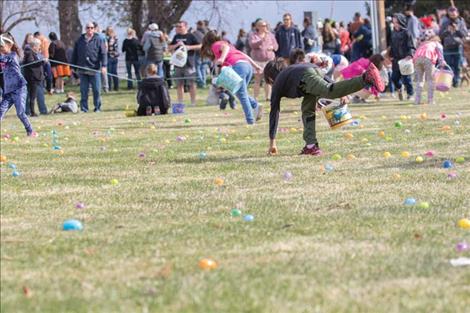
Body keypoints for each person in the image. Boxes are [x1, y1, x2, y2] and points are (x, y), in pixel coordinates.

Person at [264, 58, 384, 156]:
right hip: (311, 72)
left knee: (328, 91)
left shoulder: (278, 83)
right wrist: (342, 92)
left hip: (305, 77)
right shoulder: (290, 72)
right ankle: (311, 146)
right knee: (307, 110)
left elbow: (274, 112)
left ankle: (365, 78)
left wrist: (272, 142)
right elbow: (322, 76)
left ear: (270, 78)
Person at [201, 31, 263, 124]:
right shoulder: (229, 44)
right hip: (247, 66)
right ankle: (255, 105)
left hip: (238, 67)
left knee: (241, 95)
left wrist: (221, 58)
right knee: (240, 93)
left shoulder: (216, 45)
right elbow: (243, 54)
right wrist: (255, 66)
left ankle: (250, 121)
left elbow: (224, 49)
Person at [0, 33, 35, 136]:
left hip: (19, 88)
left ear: (9, 45)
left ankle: (30, 131)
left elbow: (3, 59)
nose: (0, 49)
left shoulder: (12, 55)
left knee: (20, 113)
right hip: (8, 91)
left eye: (1, 47)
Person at [71, 22, 107, 112]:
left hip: (94, 69)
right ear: (85, 29)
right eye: (88, 28)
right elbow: (75, 54)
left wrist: (104, 66)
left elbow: (103, 53)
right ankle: (84, 108)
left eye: (91, 28)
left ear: (94, 29)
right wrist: (72, 66)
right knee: (84, 90)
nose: (90, 29)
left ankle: (97, 107)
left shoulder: (99, 39)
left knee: (96, 90)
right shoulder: (80, 40)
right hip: (83, 69)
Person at [168, 20, 201, 106]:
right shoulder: (176, 36)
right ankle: (180, 102)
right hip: (178, 64)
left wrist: (188, 47)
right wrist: (176, 45)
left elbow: (200, 45)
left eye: (180, 26)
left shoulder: (191, 36)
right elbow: (169, 47)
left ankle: (193, 102)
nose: (178, 28)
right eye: (177, 27)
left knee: (192, 84)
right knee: (179, 84)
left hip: (189, 64)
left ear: (185, 27)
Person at [248, 19, 278, 102]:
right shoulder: (253, 35)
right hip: (257, 61)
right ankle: (255, 97)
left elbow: (276, 46)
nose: (265, 27)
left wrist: (272, 47)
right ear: (258, 26)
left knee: (268, 79)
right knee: (257, 79)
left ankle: (268, 97)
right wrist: (262, 40)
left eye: (265, 25)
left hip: (269, 60)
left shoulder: (271, 35)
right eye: (263, 25)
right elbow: (252, 45)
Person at [414, 29, 445, 105]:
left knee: (420, 80)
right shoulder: (436, 43)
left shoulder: (423, 43)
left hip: (417, 58)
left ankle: (417, 101)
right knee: (430, 80)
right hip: (428, 58)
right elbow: (440, 51)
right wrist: (442, 60)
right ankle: (430, 100)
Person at [390, 13, 415, 101]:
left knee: (407, 78)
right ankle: (400, 89)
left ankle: (410, 94)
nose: (395, 24)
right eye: (394, 22)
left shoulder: (406, 32)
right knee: (394, 78)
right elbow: (392, 46)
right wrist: (391, 56)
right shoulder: (393, 33)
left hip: (405, 58)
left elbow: (411, 45)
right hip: (396, 59)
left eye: (396, 22)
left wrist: (409, 55)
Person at [23, 38, 47, 116]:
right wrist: (42, 61)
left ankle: (32, 111)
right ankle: (32, 112)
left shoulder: (36, 53)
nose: (39, 47)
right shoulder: (29, 53)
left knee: (33, 95)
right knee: (32, 96)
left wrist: (43, 60)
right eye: (38, 46)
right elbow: (31, 63)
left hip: (38, 77)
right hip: (32, 78)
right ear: (34, 46)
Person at [193, 20, 210, 88]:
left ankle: (201, 82)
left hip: (199, 52)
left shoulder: (196, 32)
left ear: (198, 25)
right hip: (207, 52)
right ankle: (204, 82)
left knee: (198, 68)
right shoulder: (208, 32)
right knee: (203, 68)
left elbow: (195, 42)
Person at [93, 22, 108, 93]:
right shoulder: (102, 35)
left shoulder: (99, 36)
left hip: (96, 57)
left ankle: (101, 87)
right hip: (100, 56)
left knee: (97, 72)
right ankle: (105, 87)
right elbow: (106, 46)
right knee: (103, 72)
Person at [105, 26, 119, 91]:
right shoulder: (116, 38)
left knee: (109, 73)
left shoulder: (107, 38)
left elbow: (107, 48)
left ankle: (110, 87)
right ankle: (116, 87)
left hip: (109, 57)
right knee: (114, 72)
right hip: (115, 57)